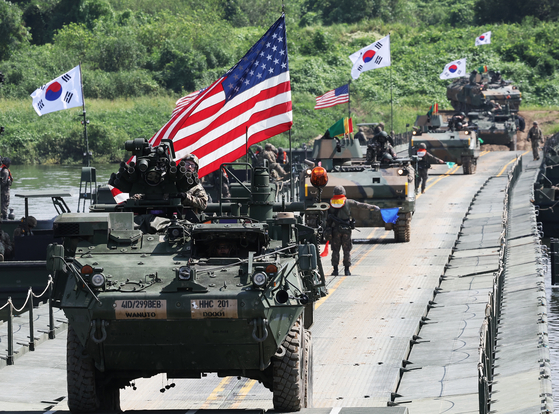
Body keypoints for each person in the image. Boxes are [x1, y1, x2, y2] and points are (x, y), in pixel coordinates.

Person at [324, 186, 379, 276]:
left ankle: (335, 270)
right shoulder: (348, 202)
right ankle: (347, 270)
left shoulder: (329, 203)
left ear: (334, 193)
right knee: (347, 250)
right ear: (344, 193)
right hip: (346, 230)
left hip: (335, 230)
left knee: (335, 250)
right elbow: (361, 205)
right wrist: (373, 207)